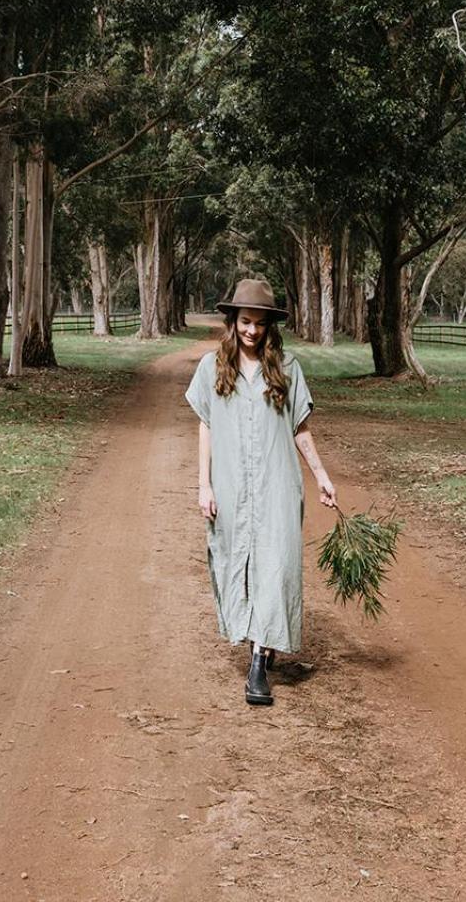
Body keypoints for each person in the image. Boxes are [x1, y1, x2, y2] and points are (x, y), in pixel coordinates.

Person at [185, 277, 337, 706]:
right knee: (236, 559)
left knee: (275, 564)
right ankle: (257, 639)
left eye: (260, 324)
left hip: (278, 488)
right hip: (232, 488)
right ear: (233, 322)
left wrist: (322, 475)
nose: (252, 331)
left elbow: (300, 430)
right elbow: (206, 426)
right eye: (245, 322)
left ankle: (258, 660)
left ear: (271, 326)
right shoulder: (212, 368)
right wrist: (204, 484)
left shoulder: (287, 370)